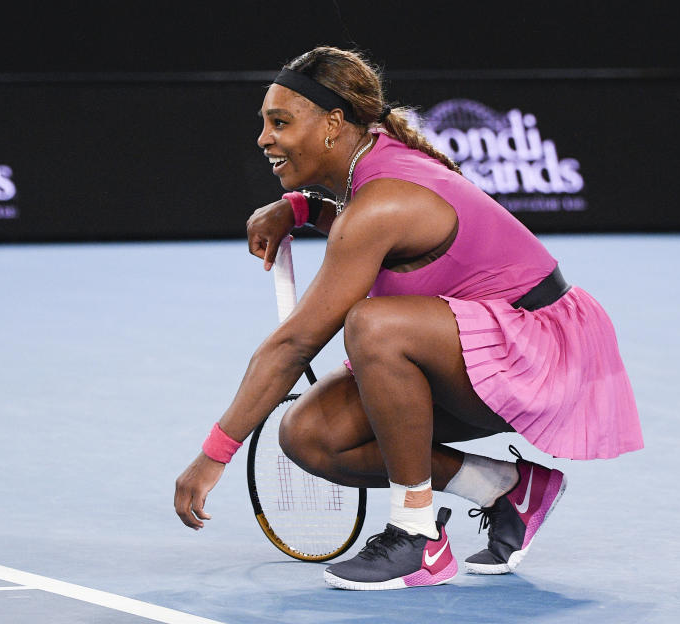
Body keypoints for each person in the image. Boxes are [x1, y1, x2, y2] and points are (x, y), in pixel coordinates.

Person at [173, 46, 642, 591]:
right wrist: (304, 208)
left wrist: (213, 457)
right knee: (310, 434)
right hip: (487, 352)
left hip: (544, 356)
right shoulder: (373, 167)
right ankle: (504, 487)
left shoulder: (382, 201)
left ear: (332, 124)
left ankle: (417, 535)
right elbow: (390, 239)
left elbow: (293, 345)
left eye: (280, 123)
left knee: (375, 326)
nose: (264, 138)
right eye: (264, 123)